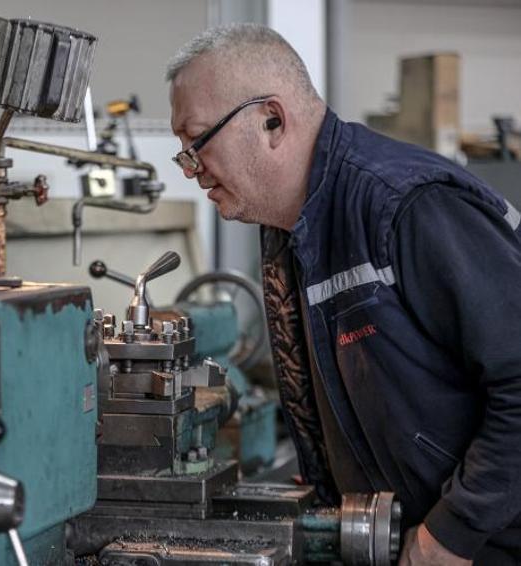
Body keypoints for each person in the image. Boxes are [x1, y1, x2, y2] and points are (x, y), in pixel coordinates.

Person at [167, 23, 521, 565]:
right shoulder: (291, 229)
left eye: (196, 144)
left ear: (272, 120)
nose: (191, 169)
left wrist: (452, 533)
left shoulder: (404, 208)